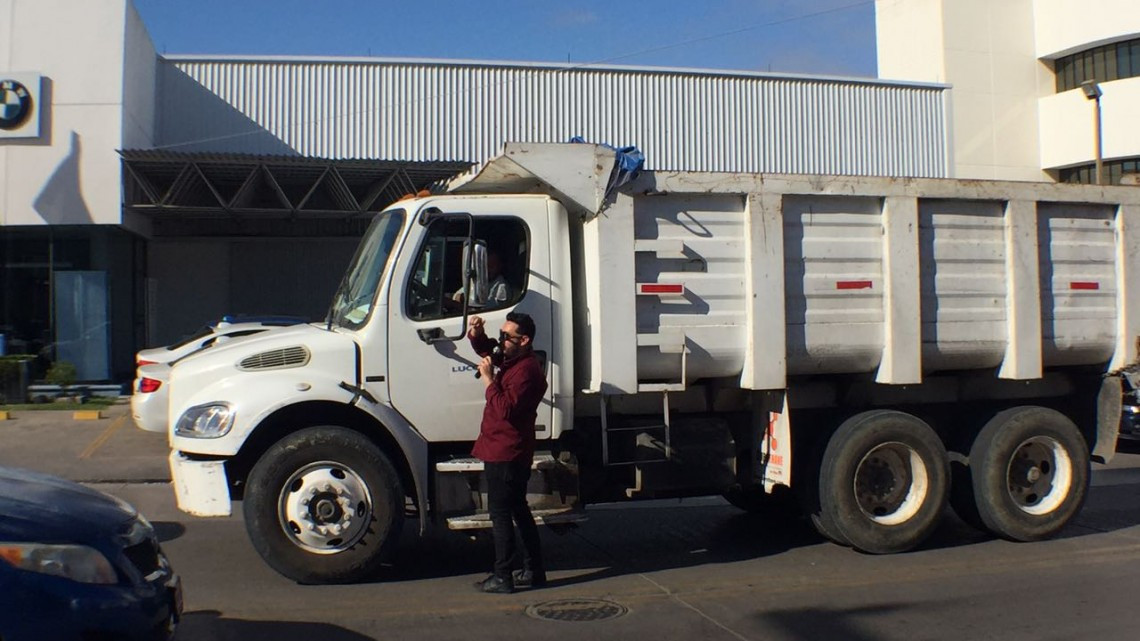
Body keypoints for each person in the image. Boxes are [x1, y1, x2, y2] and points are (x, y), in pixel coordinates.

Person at [468, 311, 547, 594]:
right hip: (504, 448)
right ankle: (534, 570)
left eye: (506, 336)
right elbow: (490, 350)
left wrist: (489, 380)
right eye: (501, 334)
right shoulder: (514, 360)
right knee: (518, 510)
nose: (501, 341)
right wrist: (477, 335)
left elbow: (505, 410)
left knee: (501, 514)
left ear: (524, 340)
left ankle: (503, 576)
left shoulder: (526, 372)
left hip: (506, 452)